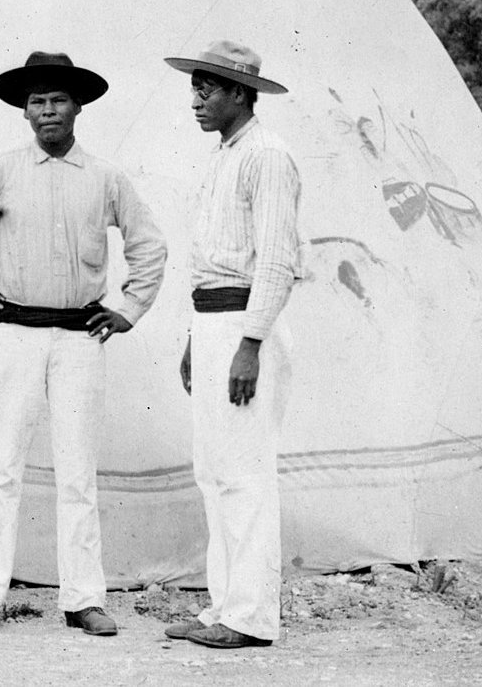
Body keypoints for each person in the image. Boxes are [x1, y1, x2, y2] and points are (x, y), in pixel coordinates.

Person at [0, 51, 168, 637]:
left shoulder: (105, 177)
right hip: (15, 332)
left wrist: (126, 310)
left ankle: (83, 598)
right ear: (24, 112)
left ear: (78, 107)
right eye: (37, 101)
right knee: (1, 466)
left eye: (58, 100)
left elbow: (149, 244)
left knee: (77, 471)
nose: (47, 110)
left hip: (79, 335)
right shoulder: (2, 169)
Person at [162, 41, 300, 650]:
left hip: (249, 326)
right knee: (213, 472)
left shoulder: (267, 157)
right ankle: (222, 606)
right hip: (214, 322)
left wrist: (250, 343)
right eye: (193, 88)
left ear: (242, 94)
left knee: (245, 473)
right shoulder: (226, 156)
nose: (196, 100)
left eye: (208, 89)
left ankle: (251, 617)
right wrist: (199, 340)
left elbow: (274, 261)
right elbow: (212, 265)